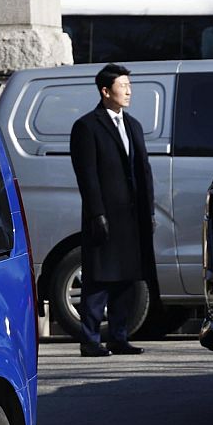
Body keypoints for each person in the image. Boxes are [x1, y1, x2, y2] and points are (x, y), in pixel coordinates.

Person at [69, 64, 159, 357]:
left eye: (129, 85)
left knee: (127, 278)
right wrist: (97, 213)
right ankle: (90, 339)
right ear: (106, 91)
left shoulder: (132, 124)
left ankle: (119, 336)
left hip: (132, 216)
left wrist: (150, 211)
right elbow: (87, 174)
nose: (129, 91)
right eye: (123, 85)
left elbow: (143, 170)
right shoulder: (87, 126)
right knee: (99, 278)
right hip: (105, 214)